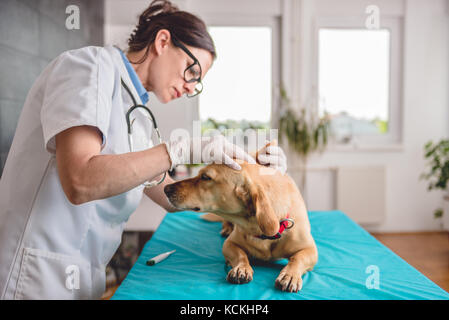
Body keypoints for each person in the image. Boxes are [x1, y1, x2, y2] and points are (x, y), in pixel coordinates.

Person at [0, 0, 287, 300]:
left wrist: (261, 180)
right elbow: (80, 181)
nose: (191, 87)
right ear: (163, 41)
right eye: (192, 71)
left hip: (83, 274)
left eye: (198, 82)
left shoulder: (136, 117)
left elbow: (172, 196)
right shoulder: (89, 67)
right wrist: (180, 149)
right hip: (35, 274)